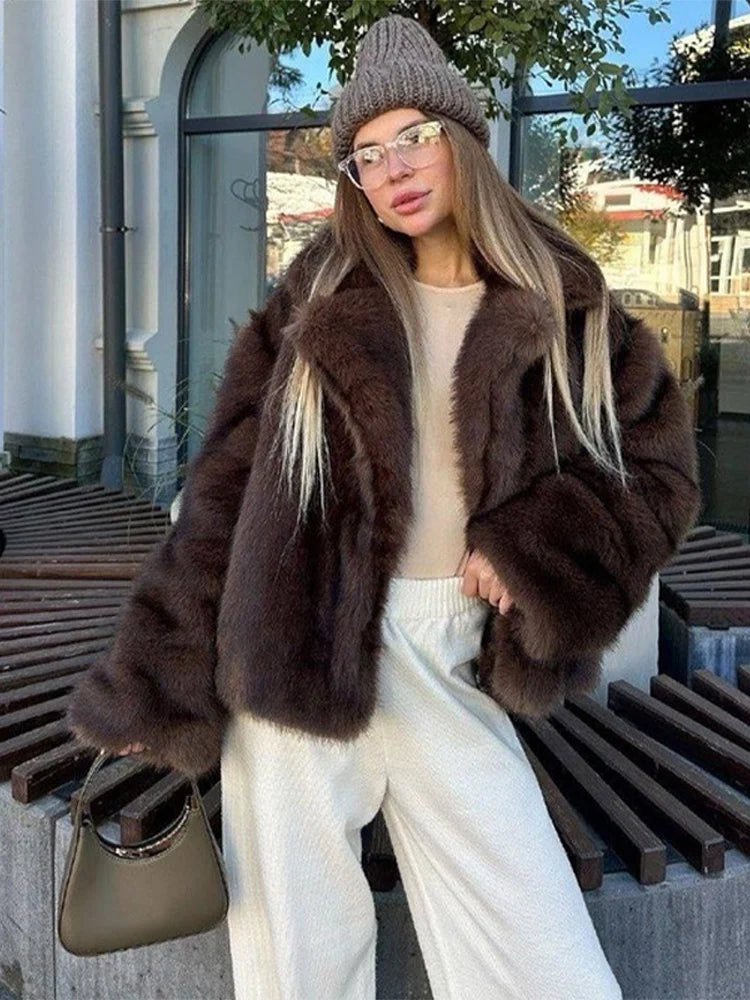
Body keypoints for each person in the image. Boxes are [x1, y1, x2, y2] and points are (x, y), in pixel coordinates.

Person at [66, 13, 701, 1000]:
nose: (393, 167)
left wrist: (536, 549)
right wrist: (154, 676)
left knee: (547, 968)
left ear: (462, 139)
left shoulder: (567, 304)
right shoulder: (316, 297)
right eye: (366, 154)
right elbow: (223, 499)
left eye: (414, 135)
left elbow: (659, 477)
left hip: (450, 656)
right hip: (293, 649)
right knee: (298, 969)